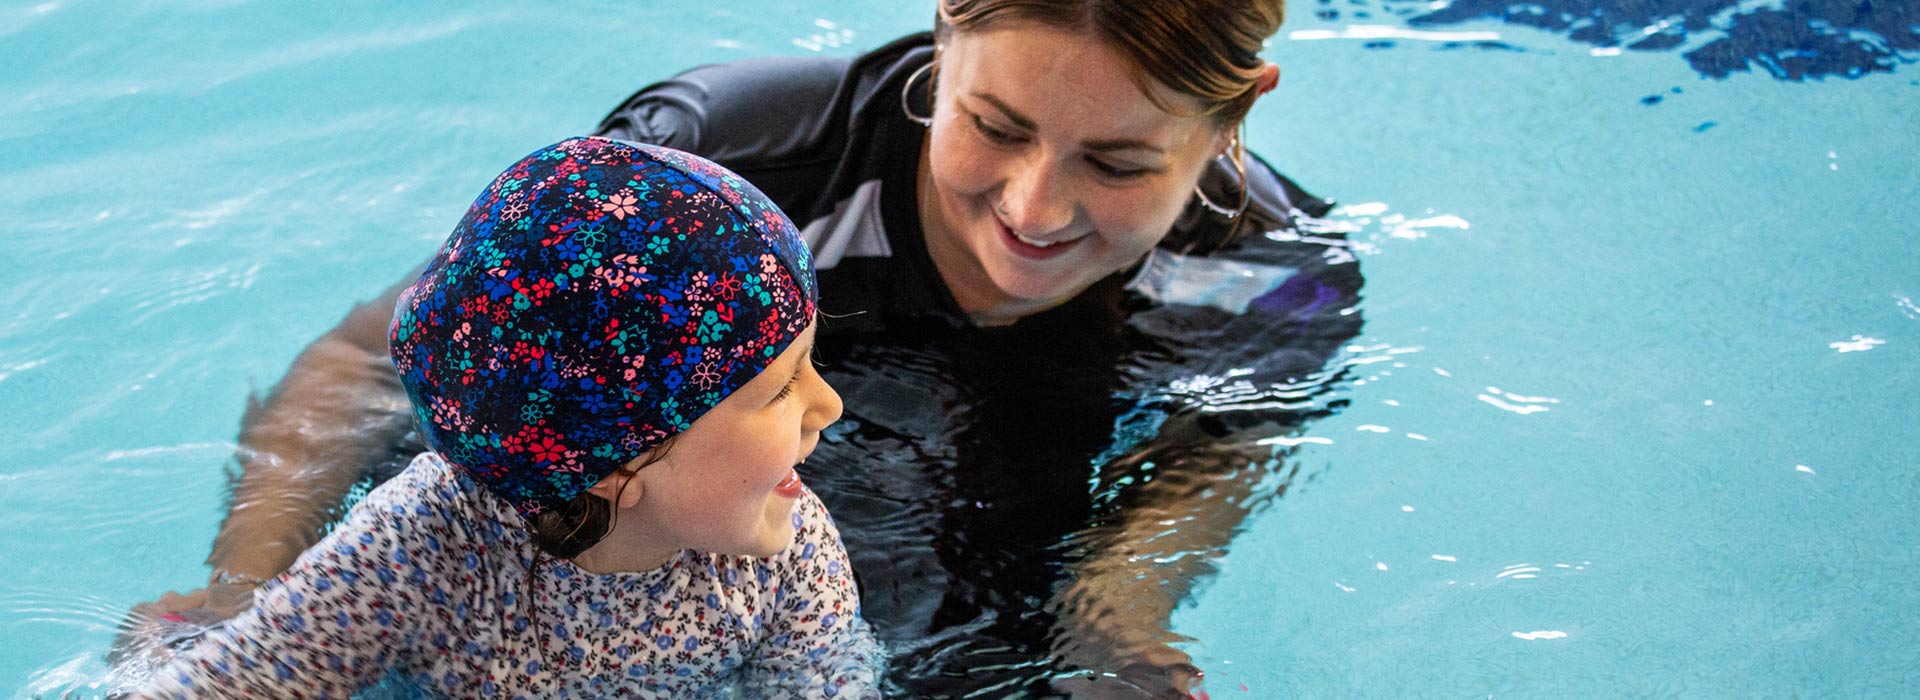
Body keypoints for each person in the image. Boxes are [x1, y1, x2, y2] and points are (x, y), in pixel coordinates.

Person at [139, 0, 1365, 696]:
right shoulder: (721, 172)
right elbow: (382, 358)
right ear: (946, 30)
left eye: (1118, 162)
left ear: (1237, 110)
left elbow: (1218, 456)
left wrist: (1117, 620)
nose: (1034, 212)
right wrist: (246, 592)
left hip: (820, 532)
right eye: (995, 125)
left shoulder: (1273, 282)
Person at [124, 137, 881, 699]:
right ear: (620, 459)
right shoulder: (420, 546)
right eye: (780, 389)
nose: (830, 405)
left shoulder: (790, 554)